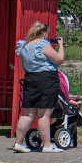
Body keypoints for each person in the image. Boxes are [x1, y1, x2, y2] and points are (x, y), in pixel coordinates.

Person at [13, 21, 65, 153]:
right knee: (44, 115)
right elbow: (59, 60)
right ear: (43, 33)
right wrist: (61, 46)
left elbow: (23, 66)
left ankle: (18, 143)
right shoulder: (43, 45)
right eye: (47, 33)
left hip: (30, 78)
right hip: (46, 79)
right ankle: (47, 145)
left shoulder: (24, 46)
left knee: (27, 113)